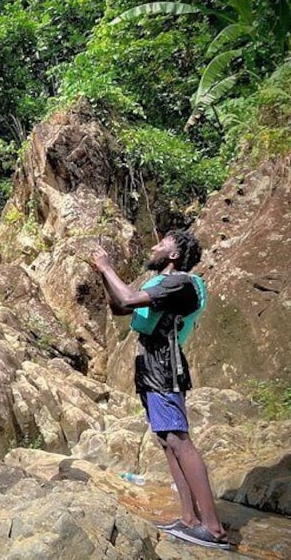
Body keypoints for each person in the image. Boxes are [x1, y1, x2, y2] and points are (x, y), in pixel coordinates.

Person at [92, 230, 230, 550]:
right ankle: (189, 520)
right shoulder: (163, 285)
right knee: (167, 441)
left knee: (179, 439)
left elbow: (127, 298)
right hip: (151, 363)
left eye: (161, 244)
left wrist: (108, 267)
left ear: (173, 256)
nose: (154, 246)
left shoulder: (179, 283)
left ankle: (212, 527)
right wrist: (103, 274)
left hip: (164, 364)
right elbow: (120, 308)